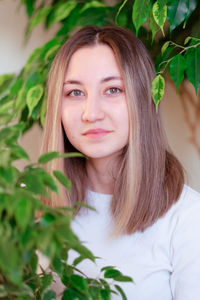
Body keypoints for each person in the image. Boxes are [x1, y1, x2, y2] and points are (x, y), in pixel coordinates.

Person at [41, 25, 200, 299]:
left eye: (113, 89)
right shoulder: (30, 209)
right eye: (75, 93)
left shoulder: (187, 218)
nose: (91, 113)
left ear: (142, 99)